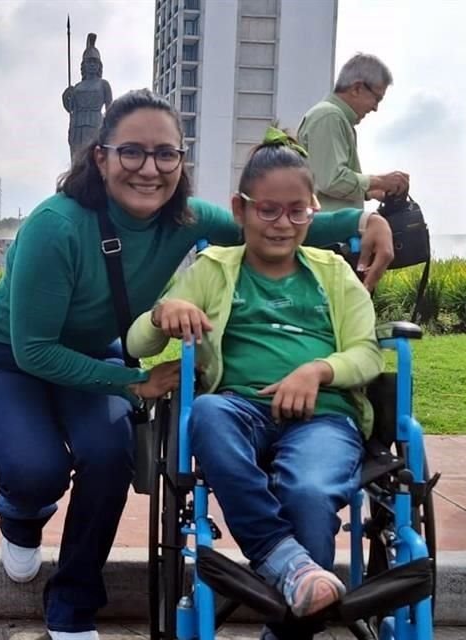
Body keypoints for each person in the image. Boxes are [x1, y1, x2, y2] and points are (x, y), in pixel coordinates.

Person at [0, 89, 395, 639]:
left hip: (95, 353)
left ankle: (71, 605)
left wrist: (365, 221)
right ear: (101, 157)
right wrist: (136, 380)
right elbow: (35, 350)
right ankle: (20, 513)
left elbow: (273, 222)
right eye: (132, 152)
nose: (150, 168)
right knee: (34, 470)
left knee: (109, 456)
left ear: (180, 161)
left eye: (166, 154)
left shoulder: (185, 218)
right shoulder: (57, 225)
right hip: (10, 358)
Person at [127, 130, 383, 640]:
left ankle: (287, 626)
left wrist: (318, 371)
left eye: (297, 212)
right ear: (240, 208)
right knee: (206, 414)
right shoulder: (214, 268)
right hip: (239, 409)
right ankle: (285, 560)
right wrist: (164, 311)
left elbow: (368, 352)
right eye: (267, 210)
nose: (283, 225)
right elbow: (137, 344)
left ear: (312, 210)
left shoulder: (333, 273)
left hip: (324, 417)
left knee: (310, 491)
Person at [298, 53, 409, 291]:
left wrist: (371, 192)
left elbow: (324, 179)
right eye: (376, 98)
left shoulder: (333, 117)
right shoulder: (329, 116)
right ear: (357, 88)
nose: (376, 108)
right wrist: (380, 181)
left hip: (329, 242)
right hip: (327, 243)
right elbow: (331, 180)